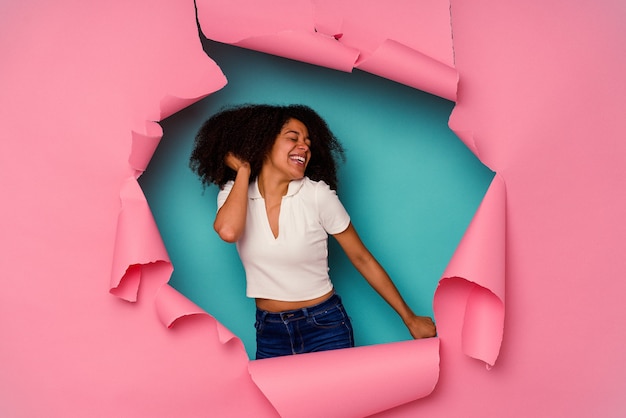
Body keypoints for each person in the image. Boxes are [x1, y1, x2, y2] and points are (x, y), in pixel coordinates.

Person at [190, 104, 436, 359]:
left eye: (307, 141)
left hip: (325, 326)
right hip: (269, 331)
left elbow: (362, 258)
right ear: (263, 143)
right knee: (277, 399)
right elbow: (228, 231)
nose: (305, 146)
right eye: (292, 138)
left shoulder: (317, 195)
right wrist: (244, 170)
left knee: (339, 399)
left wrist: (410, 318)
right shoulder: (235, 193)